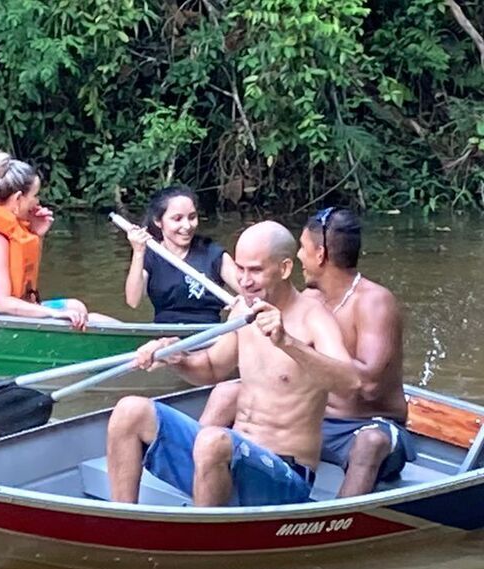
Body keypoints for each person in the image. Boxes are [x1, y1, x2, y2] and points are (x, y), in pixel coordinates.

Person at [105, 221, 361, 507]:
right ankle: (124, 519)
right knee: (129, 411)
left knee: (213, 441)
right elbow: (212, 368)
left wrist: (286, 341)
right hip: (227, 458)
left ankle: (205, 539)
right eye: (240, 269)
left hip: (284, 475)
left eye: (255, 270)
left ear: (285, 268)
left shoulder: (314, 317)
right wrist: (178, 358)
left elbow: (350, 383)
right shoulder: (242, 309)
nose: (245, 280)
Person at [200, 208, 415, 497]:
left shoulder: (374, 302)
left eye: (302, 247)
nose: (299, 255)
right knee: (227, 392)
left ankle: (337, 522)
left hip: (366, 425)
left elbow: (366, 386)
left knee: (370, 443)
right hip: (316, 422)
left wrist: (301, 355)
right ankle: (202, 479)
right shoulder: (309, 299)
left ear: (320, 254)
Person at [0, 151, 115, 329]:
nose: (37, 202)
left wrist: (37, 235)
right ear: (17, 199)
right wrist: (55, 314)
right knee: (74, 313)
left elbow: (24, 280)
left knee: (76, 308)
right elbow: (2, 303)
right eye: (34, 195)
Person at [122, 185, 239, 323]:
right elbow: (133, 301)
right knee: (93, 319)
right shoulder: (149, 256)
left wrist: (242, 303)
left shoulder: (213, 254)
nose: (187, 226)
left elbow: (250, 290)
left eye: (192, 217)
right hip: (163, 334)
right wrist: (138, 252)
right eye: (177, 219)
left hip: (208, 334)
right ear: (158, 221)